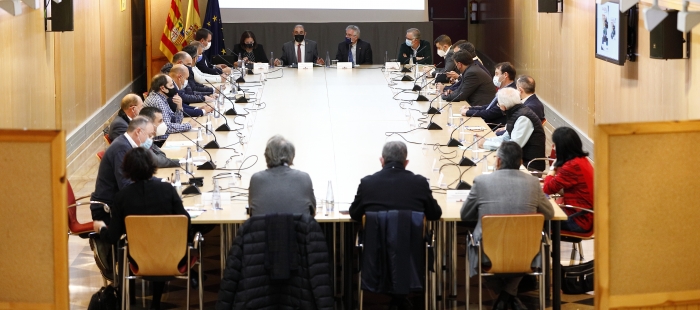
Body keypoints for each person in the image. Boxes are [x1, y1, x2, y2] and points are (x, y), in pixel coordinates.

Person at [93, 147, 191, 310]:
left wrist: (101, 228)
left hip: (138, 258)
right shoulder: (167, 190)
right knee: (160, 245)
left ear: (127, 170)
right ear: (152, 166)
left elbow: (113, 236)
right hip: (173, 255)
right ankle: (156, 303)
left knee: (141, 246)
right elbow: (185, 221)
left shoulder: (122, 197)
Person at [460, 141, 554, 310]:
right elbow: (549, 214)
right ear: (520, 162)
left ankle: (503, 295)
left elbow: (465, 215)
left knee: (481, 241)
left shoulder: (481, 182)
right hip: (528, 252)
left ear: (498, 161)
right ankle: (509, 294)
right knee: (523, 243)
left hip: (488, 253)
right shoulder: (533, 183)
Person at [349, 141, 442, 221]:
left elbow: (355, 214)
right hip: (411, 241)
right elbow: (435, 214)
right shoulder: (420, 183)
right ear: (406, 162)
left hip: (375, 241)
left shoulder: (367, 183)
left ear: (382, 160)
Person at [90, 116, 154, 223]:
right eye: (149, 135)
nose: (150, 139)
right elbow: (126, 185)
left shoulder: (126, 145)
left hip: (118, 201)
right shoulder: (121, 149)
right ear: (138, 132)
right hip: (107, 209)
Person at [478, 88, 547, 171]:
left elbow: (513, 146)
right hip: (517, 161)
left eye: (498, 105)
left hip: (528, 165)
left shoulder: (523, 117)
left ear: (503, 106)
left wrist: (485, 144)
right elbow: (505, 138)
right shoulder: (516, 113)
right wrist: (486, 140)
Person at [248, 135, 316, 216]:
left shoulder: (256, 179)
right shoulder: (304, 178)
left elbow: (252, 213)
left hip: (265, 228)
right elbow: (312, 213)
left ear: (266, 156)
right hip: (298, 228)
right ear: (292, 156)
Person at [543, 127, 594, 233]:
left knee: (538, 219)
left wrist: (553, 168)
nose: (553, 148)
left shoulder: (572, 166)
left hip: (579, 220)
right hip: (584, 214)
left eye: (555, 145)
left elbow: (547, 189)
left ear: (562, 147)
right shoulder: (580, 160)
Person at [461, 62, 517, 129]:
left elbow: (491, 113)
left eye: (497, 74)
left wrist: (468, 112)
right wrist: (470, 108)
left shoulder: (510, 92)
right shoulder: (504, 89)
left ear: (505, 75)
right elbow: (489, 107)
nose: (495, 77)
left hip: (494, 126)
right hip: (488, 122)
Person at [143, 74, 193, 140]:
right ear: (163, 88)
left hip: (164, 136)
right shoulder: (157, 101)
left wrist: (179, 107)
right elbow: (167, 128)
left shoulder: (161, 97)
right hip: (158, 140)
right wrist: (188, 125)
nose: (174, 88)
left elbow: (175, 122)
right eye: (171, 85)